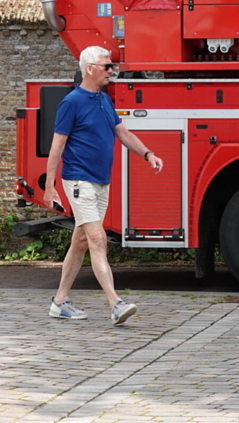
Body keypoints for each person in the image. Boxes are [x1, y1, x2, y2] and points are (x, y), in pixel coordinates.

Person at [44, 46, 164, 324]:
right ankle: (115, 303)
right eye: (106, 66)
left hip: (100, 181)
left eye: (111, 66)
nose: (112, 70)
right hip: (78, 179)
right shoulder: (72, 102)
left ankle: (60, 302)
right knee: (97, 239)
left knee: (82, 241)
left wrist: (148, 154)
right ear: (89, 69)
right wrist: (50, 187)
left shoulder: (104, 100)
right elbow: (57, 146)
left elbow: (123, 133)